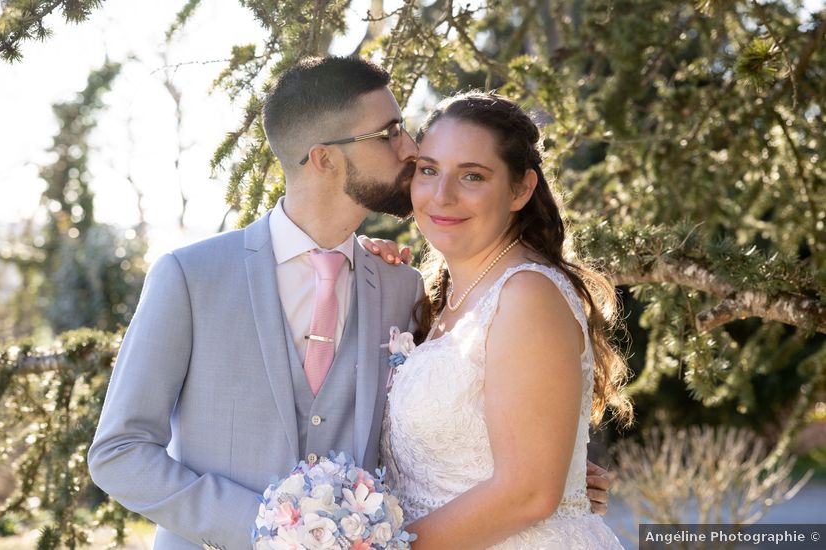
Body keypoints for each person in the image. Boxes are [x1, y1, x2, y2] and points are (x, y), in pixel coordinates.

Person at [88, 57, 610, 549]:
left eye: (404, 130)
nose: (410, 150)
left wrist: (553, 477)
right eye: (388, 135)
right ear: (325, 158)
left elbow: (481, 448)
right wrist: (278, 533)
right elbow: (119, 452)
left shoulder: (401, 288)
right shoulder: (190, 277)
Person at [367, 92, 632, 548]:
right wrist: (364, 269)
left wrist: (386, 547)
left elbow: (529, 493)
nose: (441, 195)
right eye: (429, 170)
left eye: (472, 176)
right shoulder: (442, 298)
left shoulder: (526, 294)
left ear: (521, 189)